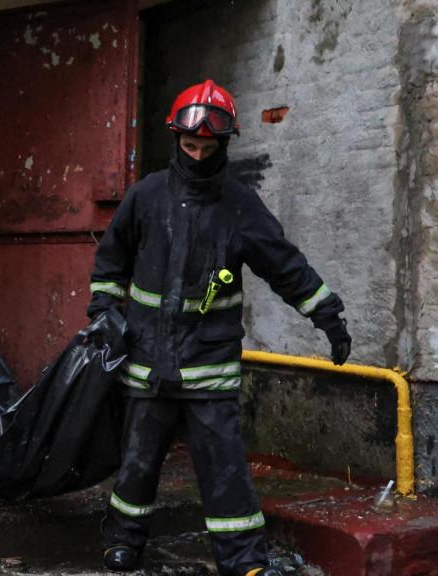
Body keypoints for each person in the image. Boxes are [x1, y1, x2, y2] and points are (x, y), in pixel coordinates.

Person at [86, 79, 351, 575]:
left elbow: (284, 264)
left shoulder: (239, 205)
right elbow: (111, 262)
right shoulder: (146, 197)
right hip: (147, 360)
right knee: (138, 463)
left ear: (224, 145)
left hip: (209, 366)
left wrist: (326, 314)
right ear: (176, 139)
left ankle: (244, 561)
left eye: (208, 149)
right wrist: (104, 310)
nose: (198, 156)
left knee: (224, 469)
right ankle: (122, 542)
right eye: (190, 146)